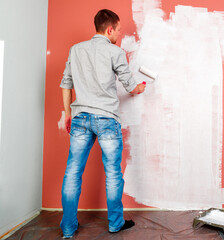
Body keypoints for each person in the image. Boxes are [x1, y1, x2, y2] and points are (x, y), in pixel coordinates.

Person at [59, 9, 146, 239]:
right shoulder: (115, 52)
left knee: (72, 173)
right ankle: (115, 224)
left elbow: (66, 84)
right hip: (107, 119)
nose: (118, 33)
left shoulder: (76, 50)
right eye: (118, 30)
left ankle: (68, 228)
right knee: (113, 174)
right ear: (109, 30)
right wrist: (139, 88)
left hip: (80, 117)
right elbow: (129, 84)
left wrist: (68, 113)